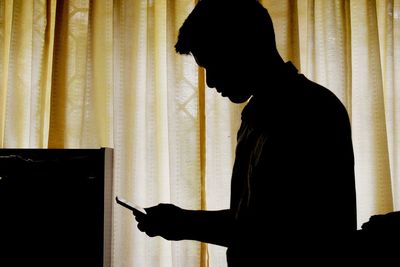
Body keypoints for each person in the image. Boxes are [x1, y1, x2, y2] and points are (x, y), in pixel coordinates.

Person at [135, 0, 358, 265]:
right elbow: (254, 219)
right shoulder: (256, 117)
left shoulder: (312, 112)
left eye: (212, 64)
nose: (209, 82)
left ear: (242, 48)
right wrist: (182, 220)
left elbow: (279, 233)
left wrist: (184, 222)